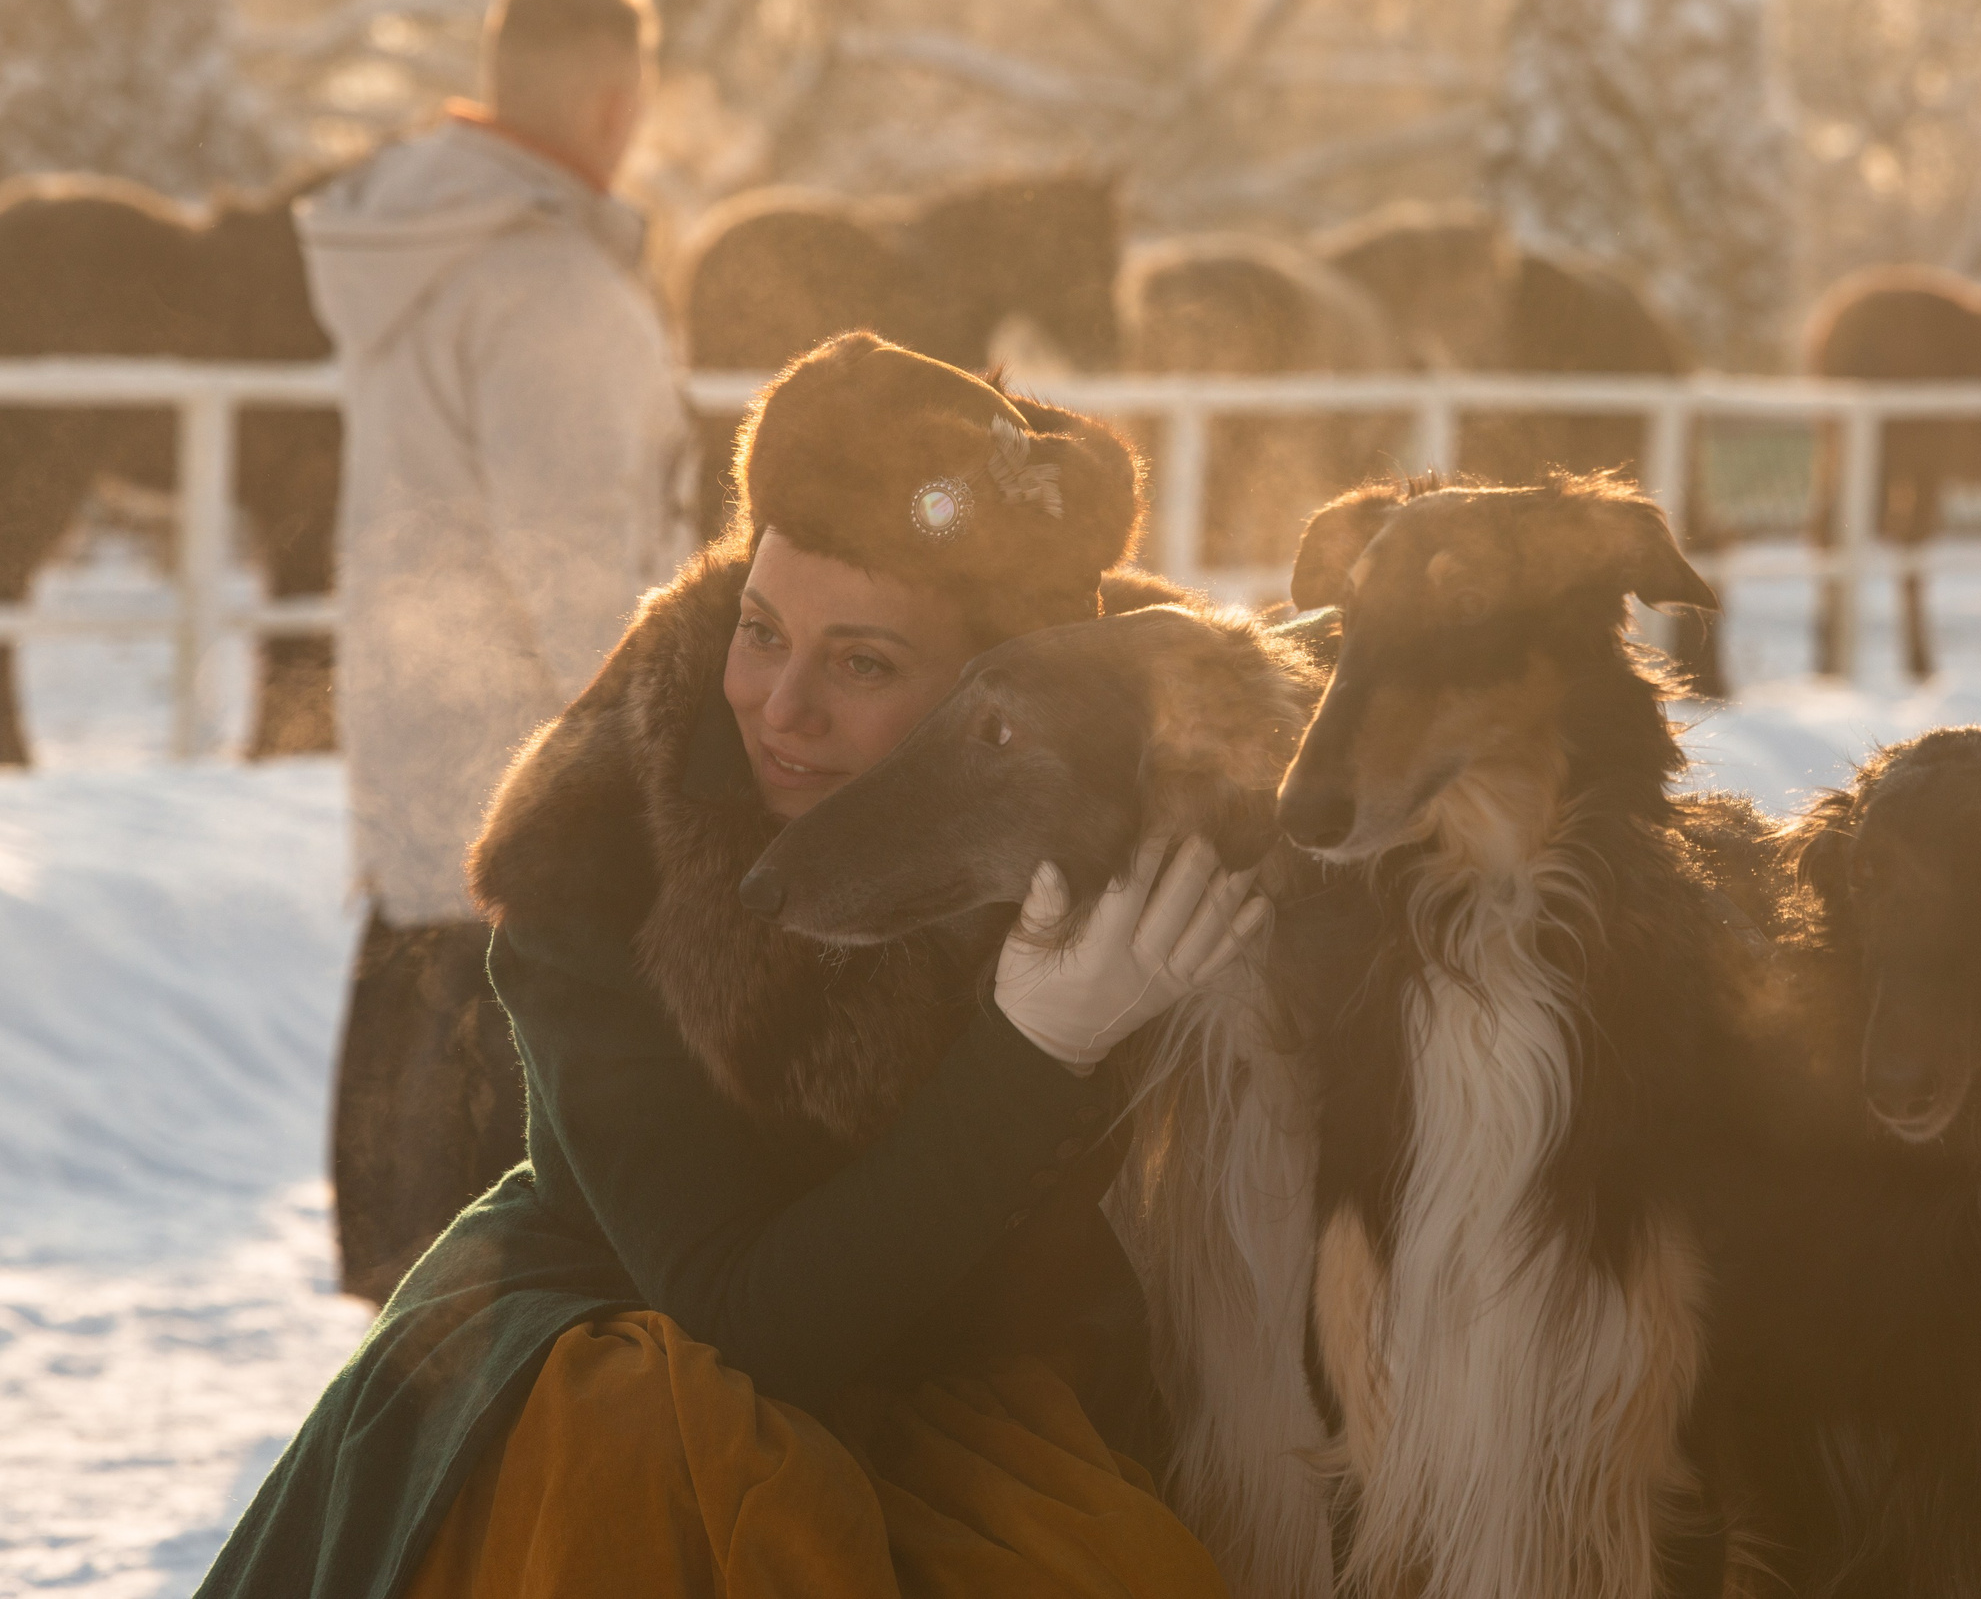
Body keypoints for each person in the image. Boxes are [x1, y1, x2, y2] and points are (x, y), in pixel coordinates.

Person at [198, 334, 1258, 1596]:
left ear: (997, 692)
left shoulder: (1122, 776)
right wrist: (1036, 1048)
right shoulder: (598, 847)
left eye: (862, 663)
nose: (779, 706)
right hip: (627, 1385)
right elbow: (748, 1322)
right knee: (641, 1440)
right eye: (760, 631)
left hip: (960, 1389)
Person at [296, 0, 695, 1301]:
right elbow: (586, 584)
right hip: (542, 835)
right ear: (617, 101)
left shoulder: (420, 254)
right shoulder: (550, 286)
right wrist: (679, 774)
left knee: (422, 1274)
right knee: (533, 1285)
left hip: (424, 798)